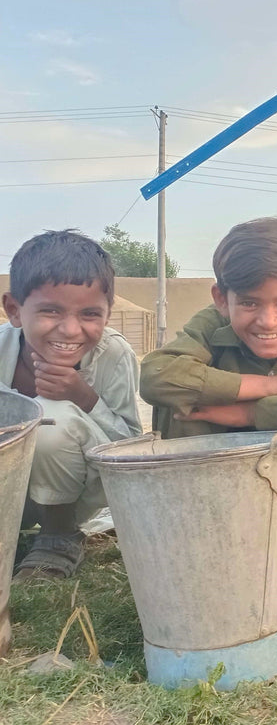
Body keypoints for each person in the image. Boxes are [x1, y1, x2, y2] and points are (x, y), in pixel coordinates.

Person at [139, 217, 277, 611]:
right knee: (174, 404)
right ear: (222, 298)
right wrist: (272, 386)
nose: (268, 321)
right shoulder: (210, 326)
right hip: (223, 481)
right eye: (249, 302)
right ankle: (206, 538)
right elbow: (157, 377)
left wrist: (242, 415)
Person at [1, 230, 141, 580]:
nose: (70, 329)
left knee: (48, 417)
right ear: (14, 310)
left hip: (82, 486)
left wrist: (83, 396)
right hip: (13, 488)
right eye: (50, 311)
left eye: (90, 313)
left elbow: (131, 449)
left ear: (108, 314)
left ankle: (58, 537)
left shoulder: (113, 354)